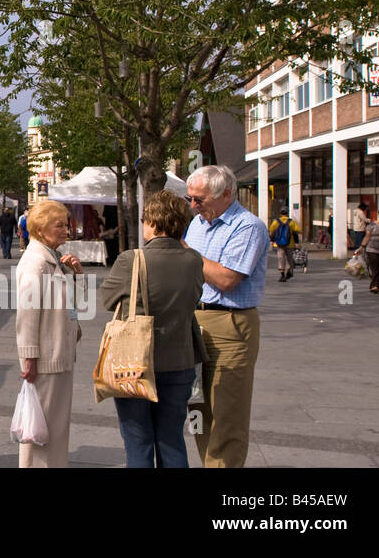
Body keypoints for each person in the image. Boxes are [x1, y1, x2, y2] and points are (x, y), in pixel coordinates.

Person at [100, 190, 205, 468]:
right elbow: (195, 298)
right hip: (180, 360)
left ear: (153, 223)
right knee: (172, 438)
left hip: (133, 362)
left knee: (138, 440)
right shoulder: (194, 259)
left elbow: (108, 300)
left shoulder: (131, 259)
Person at [181, 165, 269, 468]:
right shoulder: (197, 225)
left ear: (226, 194)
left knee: (227, 412)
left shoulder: (248, 226)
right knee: (199, 408)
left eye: (199, 200)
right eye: (190, 199)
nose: (193, 206)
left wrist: (184, 252)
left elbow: (227, 278)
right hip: (194, 318)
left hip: (230, 324)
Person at [15, 199, 83, 467]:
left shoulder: (51, 259)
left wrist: (76, 275)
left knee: (53, 429)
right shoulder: (36, 262)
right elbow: (27, 315)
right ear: (42, 229)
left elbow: (76, 307)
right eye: (60, 225)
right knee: (42, 432)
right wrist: (29, 358)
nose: (66, 230)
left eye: (66, 224)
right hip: (47, 359)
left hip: (58, 355)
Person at [268, 207, 301, 282]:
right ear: (287, 213)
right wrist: (297, 242)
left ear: (280, 213)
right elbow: (297, 231)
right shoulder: (291, 222)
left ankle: (282, 275)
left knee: (281, 258)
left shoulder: (276, 221)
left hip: (279, 244)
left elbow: (272, 231)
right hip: (290, 244)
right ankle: (289, 272)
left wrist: (272, 240)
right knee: (289, 258)